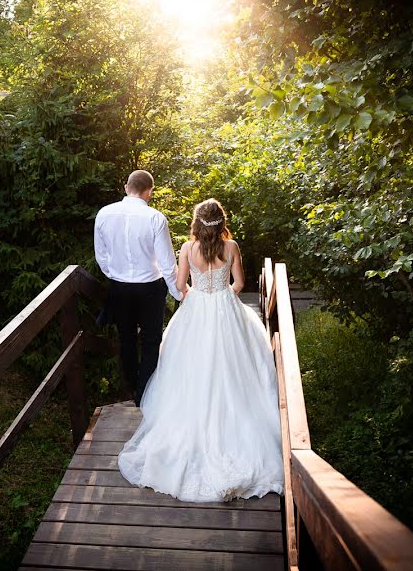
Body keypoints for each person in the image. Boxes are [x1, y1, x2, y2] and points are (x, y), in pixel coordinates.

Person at [117, 198, 284, 502]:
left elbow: (180, 286)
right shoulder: (231, 247)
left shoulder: (186, 249)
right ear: (221, 222)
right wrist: (223, 297)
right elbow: (240, 283)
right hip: (225, 307)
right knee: (233, 368)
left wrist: (197, 295)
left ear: (196, 222)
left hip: (195, 309)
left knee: (188, 368)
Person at [94, 170, 183, 407]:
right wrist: (179, 293)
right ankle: (145, 393)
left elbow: (101, 256)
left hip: (119, 288)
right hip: (150, 289)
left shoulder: (104, 214)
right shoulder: (155, 218)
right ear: (149, 191)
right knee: (151, 340)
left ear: (126, 187)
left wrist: (116, 277)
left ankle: (132, 386)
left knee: (126, 339)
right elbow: (167, 263)